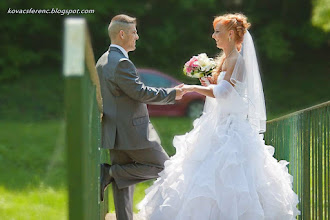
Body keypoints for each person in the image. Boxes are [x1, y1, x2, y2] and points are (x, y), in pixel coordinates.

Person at [138, 13, 300, 219]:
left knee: (230, 176)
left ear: (230, 34)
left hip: (231, 128)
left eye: (217, 31)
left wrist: (191, 87)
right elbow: (221, 91)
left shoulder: (236, 60)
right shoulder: (226, 59)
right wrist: (207, 82)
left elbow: (223, 93)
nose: (213, 36)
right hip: (217, 124)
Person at [96, 14, 185, 220]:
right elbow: (140, 92)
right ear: (122, 34)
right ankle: (109, 173)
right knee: (164, 168)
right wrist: (173, 94)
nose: (137, 37)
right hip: (133, 132)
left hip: (114, 131)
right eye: (134, 32)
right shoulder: (121, 63)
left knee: (123, 182)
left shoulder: (103, 60)